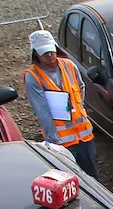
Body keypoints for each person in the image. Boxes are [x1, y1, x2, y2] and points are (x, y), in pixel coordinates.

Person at [22, 30, 97, 178]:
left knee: (91, 178)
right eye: (44, 53)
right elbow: (42, 111)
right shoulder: (33, 76)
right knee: (70, 178)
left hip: (84, 135)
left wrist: (79, 106)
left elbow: (81, 87)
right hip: (62, 142)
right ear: (35, 53)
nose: (49, 55)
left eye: (51, 51)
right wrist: (53, 143)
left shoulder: (69, 65)